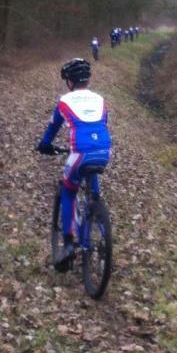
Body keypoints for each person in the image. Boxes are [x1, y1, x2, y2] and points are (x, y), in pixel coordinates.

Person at [36, 57, 111, 265]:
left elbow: (52, 128)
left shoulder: (64, 101)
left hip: (79, 153)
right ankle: (100, 219)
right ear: (87, 79)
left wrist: (45, 145)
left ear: (70, 81)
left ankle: (68, 244)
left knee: (68, 190)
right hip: (105, 150)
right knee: (92, 181)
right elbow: (102, 124)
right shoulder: (100, 100)